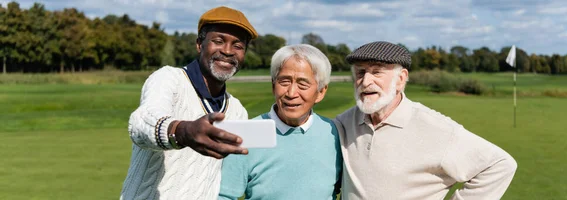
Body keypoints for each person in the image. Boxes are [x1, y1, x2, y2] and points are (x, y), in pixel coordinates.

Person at [333, 41, 518, 200]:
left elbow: (500, 165)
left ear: (400, 79)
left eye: (376, 72)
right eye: (360, 72)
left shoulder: (437, 128)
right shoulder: (343, 123)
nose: (365, 81)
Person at [120, 6, 259, 200]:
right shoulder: (169, 78)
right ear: (199, 44)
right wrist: (183, 131)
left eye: (238, 46)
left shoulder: (237, 112)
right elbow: (140, 125)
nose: (228, 51)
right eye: (218, 41)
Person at [218, 44, 342, 200]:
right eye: (284, 82)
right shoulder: (247, 134)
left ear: (321, 92)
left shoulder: (333, 133)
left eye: (303, 84)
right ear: (273, 86)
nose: (291, 93)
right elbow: (224, 196)